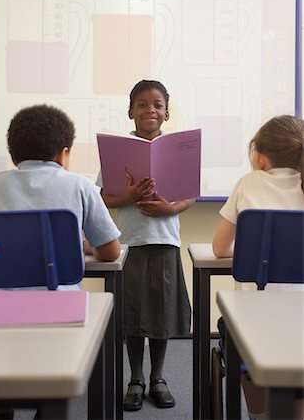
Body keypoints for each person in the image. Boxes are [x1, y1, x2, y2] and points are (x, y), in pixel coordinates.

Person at [0, 104, 121, 420]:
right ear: (64, 154)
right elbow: (111, 252)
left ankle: (2, 403)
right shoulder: (80, 186)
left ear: (13, 157)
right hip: (60, 309)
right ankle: (49, 403)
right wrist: (84, 246)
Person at [96, 79, 194, 411]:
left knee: (162, 312)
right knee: (133, 314)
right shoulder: (117, 152)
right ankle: (135, 378)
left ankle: (159, 378)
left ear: (167, 113)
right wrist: (127, 197)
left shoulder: (179, 148)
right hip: (131, 244)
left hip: (166, 242)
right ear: (130, 112)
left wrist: (172, 208)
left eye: (156, 104)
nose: (149, 109)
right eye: (141, 104)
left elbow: (188, 195)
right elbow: (102, 196)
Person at [212, 114, 304, 420]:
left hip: (254, 324)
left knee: (233, 328)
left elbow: (220, 248)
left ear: (259, 156)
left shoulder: (248, 183)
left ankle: (258, 413)